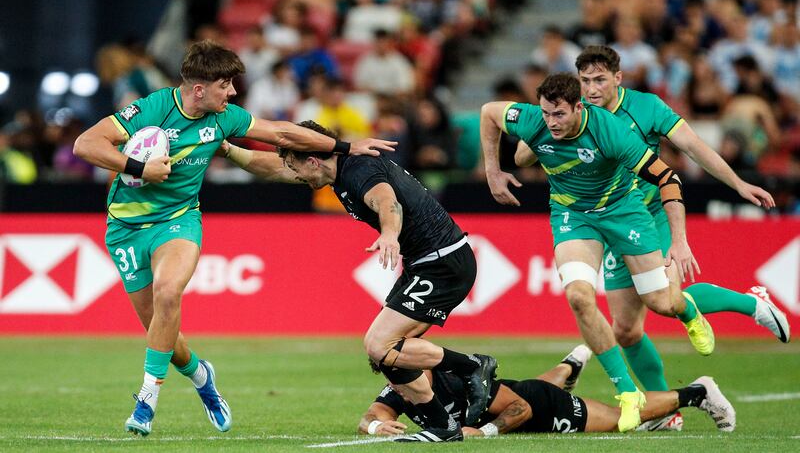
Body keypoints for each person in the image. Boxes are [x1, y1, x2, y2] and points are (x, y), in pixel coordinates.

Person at [72, 40, 396, 437]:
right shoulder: (150, 109)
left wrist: (345, 148)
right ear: (199, 89)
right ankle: (201, 376)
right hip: (123, 231)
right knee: (164, 335)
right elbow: (85, 143)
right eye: (226, 85)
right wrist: (137, 166)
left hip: (177, 221)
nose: (233, 93)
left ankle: (146, 401)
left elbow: (280, 132)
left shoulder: (225, 118)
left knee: (169, 292)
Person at [562, 45, 790, 430]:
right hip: (610, 223)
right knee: (626, 329)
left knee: (665, 302)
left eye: (600, 79)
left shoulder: (647, 107)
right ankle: (665, 410)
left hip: (651, 216)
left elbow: (693, 147)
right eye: (585, 81)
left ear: (619, 78)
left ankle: (751, 304)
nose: (591, 88)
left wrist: (736, 183)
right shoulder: (578, 115)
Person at [232, 120, 498, 442]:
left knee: (378, 344)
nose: (295, 176)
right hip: (426, 263)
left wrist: (389, 234)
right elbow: (273, 169)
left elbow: (387, 201)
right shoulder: (334, 170)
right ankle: (442, 426)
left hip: (443, 262)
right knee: (384, 354)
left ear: (313, 160)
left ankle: (472, 367)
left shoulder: (358, 171)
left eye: (296, 167)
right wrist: (229, 150)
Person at [480, 73, 713, 432]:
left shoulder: (611, 132)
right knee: (578, 296)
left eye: (559, 115)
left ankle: (687, 308)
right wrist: (493, 173)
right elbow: (488, 112)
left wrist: (679, 240)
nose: (550, 123)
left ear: (578, 106)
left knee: (660, 302)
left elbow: (668, 177)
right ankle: (627, 393)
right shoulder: (531, 119)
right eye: (546, 113)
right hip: (573, 216)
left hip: (623, 211)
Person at [358, 345, 736, 437]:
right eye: (392, 378)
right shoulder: (402, 388)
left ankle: (696, 392)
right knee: (528, 384)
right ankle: (570, 365)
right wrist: (377, 427)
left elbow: (520, 408)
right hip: (522, 390)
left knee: (623, 419)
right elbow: (371, 416)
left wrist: (485, 432)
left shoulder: (457, 380)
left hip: (540, 407)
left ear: (425, 367)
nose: (397, 386)